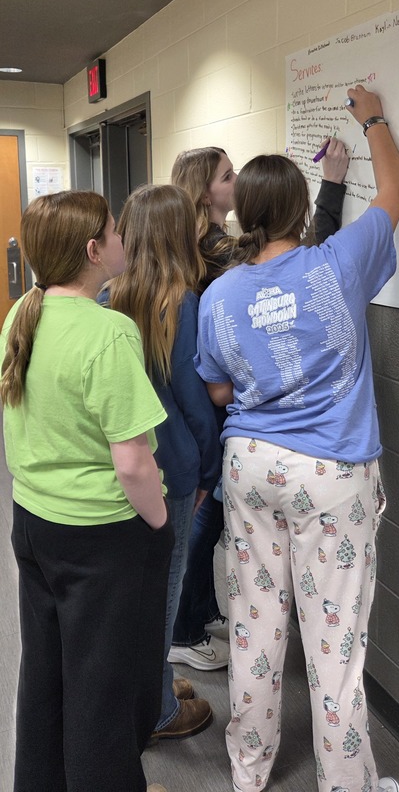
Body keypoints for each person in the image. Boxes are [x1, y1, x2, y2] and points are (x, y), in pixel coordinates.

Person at [194, 85, 399, 792]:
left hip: (250, 466)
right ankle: (346, 783)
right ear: (300, 209)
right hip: (331, 473)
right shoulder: (336, 264)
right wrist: (373, 118)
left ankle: (248, 772)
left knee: (255, 628)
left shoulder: (220, 293)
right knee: (334, 643)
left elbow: (217, 389)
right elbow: (395, 193)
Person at [0, 190, 173, 792]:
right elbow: (134, 463)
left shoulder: (22, 314)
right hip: (101, 534)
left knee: (46, 675)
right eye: (115, 231)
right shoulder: (110, 332)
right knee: (104, 689)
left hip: (33, 523)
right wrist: (160, 523)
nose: (124, 239)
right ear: (95, 251)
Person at [169, 142, 349, 670]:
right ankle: (184, 630)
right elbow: (297, 260)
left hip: (218, 398)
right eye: (228, 176)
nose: (236, 181)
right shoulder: (218, 250)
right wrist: (331, 189)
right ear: (205, 192)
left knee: (210, 519)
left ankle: (198, 612)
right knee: (207, 520)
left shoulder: (200, 242)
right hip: (223, 403)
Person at [103, 184, 221, 739]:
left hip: (124, 470)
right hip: (173, 467)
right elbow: (195, 405)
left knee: (134, 591)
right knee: (163, 596)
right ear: (178, 236)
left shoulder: (107, 297)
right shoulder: (181, 301)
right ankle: (157, 712)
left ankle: (155, 684)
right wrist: (209, 473)